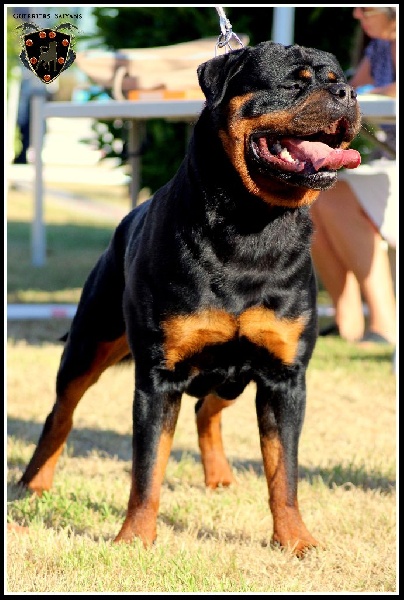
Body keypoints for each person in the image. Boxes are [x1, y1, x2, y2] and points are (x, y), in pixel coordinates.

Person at [310, 6, 396, 346]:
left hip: (391, 169)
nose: (357, 15)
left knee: (337, 194)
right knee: (317, 193)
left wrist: (375, 91)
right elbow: (351, 93)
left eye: (366, 8)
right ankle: (346, 322)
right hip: (388, 162)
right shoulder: (379, 48)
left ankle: (384, 324)